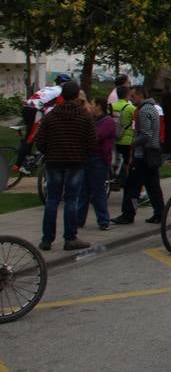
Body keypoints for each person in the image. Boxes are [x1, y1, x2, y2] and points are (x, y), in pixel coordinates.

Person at [37, 80, 95, 251]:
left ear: (61, 96)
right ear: (78, 96)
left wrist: (50, 151)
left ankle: (47, 239)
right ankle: (70, 238)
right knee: (71, 200)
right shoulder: (84, 117)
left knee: (52, 200)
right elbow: (92, 142)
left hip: (54, 162)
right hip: (76, 162)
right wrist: (82, 153)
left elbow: (40, 143)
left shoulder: (51, 116)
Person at [115, 86, 164, 225]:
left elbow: (146, 135)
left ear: (140, 95)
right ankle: (159, 213)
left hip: (142, 155)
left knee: (132, 187)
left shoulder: (143, 111)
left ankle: (128, 214)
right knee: (153, 186)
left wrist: (133, 143)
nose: (131, 99)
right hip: (152, 153)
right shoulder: (153, 108)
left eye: (133, 96)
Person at [16, 73, 69, 171]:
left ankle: (29, 156)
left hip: (28, 108)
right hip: (33, 110)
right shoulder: (60, 92)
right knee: (30, 137)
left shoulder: (50, 88)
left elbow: (46, 106)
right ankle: (20, 165)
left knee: (37, 134)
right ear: (64, 84)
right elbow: (58, 108)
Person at [77, 97, 115, 231]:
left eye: (92, 104)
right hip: (87, 158)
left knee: (98, 191)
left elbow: (95, 136)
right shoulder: (92, 120)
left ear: (99, 106)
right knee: (83, 190)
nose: (90, 106)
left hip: (99, 159)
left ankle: (103, 220)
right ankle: (79, 219)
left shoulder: (108, 122)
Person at [110, 84, 137, 185]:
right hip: (127, 140)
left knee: (114, 158)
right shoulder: (131, 108)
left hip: (114, 138)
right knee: (128, 163)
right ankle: (127, 181)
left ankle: (113, 176)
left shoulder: (111, 106)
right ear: (127, 95)